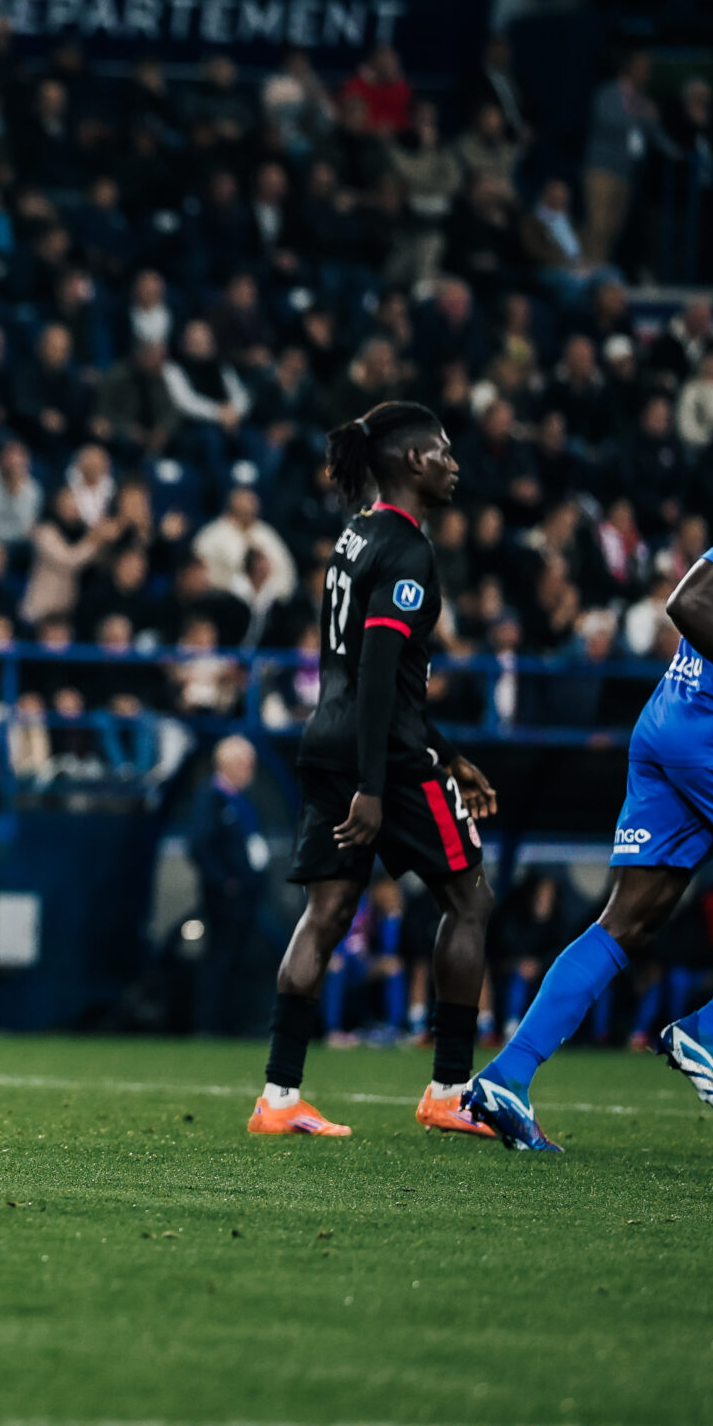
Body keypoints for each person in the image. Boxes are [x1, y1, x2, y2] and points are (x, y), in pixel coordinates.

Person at [468, 391, 713, 1150]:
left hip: (673, 723)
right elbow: (689, 602)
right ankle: (711, 1027)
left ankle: (505, 1077)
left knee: (626, 919)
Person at [256, 401, 499, 1139]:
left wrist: (452, 752)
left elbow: (375, 678)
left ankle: (277, 1096)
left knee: (324, 917)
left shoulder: (355, 535)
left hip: (327, 739)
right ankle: (449, 1089)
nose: (455, 463)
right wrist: (373, 784)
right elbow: (379, 670)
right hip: (382, 758)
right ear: (412, 462)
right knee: (470, 900)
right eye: (443, 451)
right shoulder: (407, 550)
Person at [189, 735, 269, 1036]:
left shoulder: (243, 799)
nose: (249, 769)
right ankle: (209, 1023)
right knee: (220, 957)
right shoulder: (210, 797)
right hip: (224, 895)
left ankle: (232, 1021)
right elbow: (199, 845)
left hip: (247, 891)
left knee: (238, 957)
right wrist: (224, 881)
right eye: (244, 763)